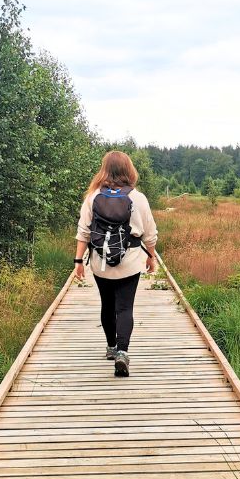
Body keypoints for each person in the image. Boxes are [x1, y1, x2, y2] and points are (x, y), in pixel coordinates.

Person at [74, 151, 158, 377]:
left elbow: (83, 232)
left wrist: (78, 261)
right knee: (125, 307)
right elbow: (149, 233)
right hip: (130, 261)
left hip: (100, 262)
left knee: (107, 305)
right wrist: (151, 256)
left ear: (105, 170)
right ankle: (122, 352)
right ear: (129, 170)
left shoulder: (92, 197)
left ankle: (111, 346)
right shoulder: (138, 198)